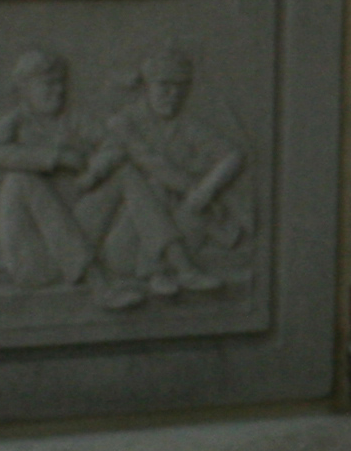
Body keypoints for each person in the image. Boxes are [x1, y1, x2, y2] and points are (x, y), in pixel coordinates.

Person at [79, 46, 248, 311]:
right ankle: (163, 271)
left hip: (181, 233)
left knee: (176, 195)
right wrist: (193, 186)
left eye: (181, 88)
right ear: (147, 85)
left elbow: (233, 155)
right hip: (127, 246)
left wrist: (207, 188)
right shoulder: (124, 123)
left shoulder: (187, 125)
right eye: (165, 87)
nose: (173, 95)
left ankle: (170, 270)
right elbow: (150, 164)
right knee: (153, 185)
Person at [0, 50, 96, 291]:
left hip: (81, 231)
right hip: (37, 258)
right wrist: (55, 158)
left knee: (125, 175)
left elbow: (112, 143)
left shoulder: (72, 120)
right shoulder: (16, 122)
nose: (59, 91)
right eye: (48, 84)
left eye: (61, 83)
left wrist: (96, 170)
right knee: (21, 176)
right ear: (25, 88)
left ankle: (170, 265)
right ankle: (96, 278)